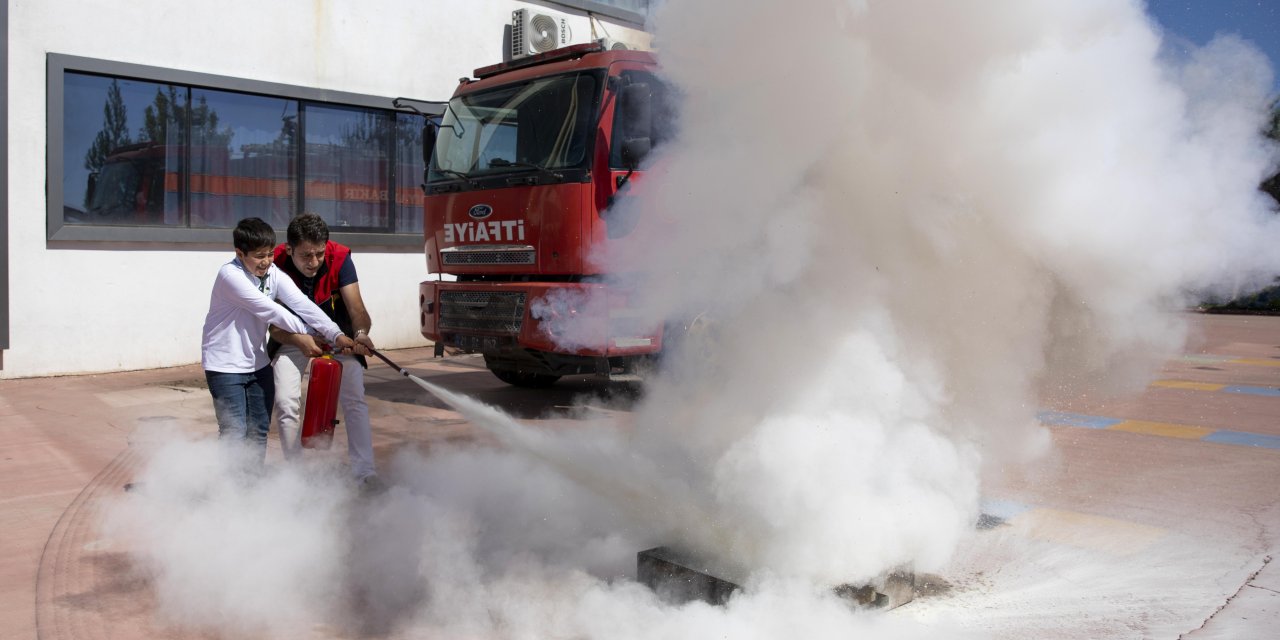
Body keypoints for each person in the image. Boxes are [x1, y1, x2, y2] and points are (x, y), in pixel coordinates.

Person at [201, 217, 354, 464]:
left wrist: (335, 333)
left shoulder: (273, 273)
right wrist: (311, 334)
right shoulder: (230, 276)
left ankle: (252, 486)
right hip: (224, 367)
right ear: (240, 253)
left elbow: (302, 304)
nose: (266, 262)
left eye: (270, 254)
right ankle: (227, 493)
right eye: (259, 256)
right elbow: (273, 312)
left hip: (258, 365)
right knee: (234, 432)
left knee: (259, 430)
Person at [267, 213, 380, 486]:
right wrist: (300, 340)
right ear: (290, 249)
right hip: (292, 338)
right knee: (285, 402)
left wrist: (361, 334)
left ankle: (365, 472)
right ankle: (296, 476)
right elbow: (272, 326)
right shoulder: (274, 262)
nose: (314, 262)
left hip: (338, 336)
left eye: (319, 254)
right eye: (306, 255)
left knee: (354, 399)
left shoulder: (340, 257)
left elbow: (357, 310)